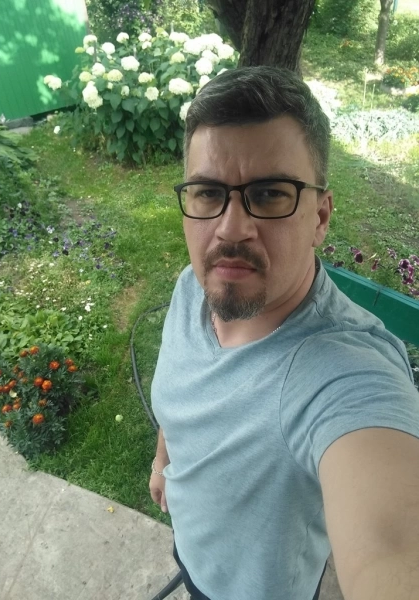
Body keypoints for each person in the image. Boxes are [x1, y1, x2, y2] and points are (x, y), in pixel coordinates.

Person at [149, 66, 419, 600]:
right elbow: (183, 393)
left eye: (270, 193)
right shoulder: (192, 288)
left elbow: (392, 551)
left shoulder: (342, 372)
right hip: (192, 549)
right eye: (207, 192)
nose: (230, 229)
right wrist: (164, 462)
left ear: (320, 216)